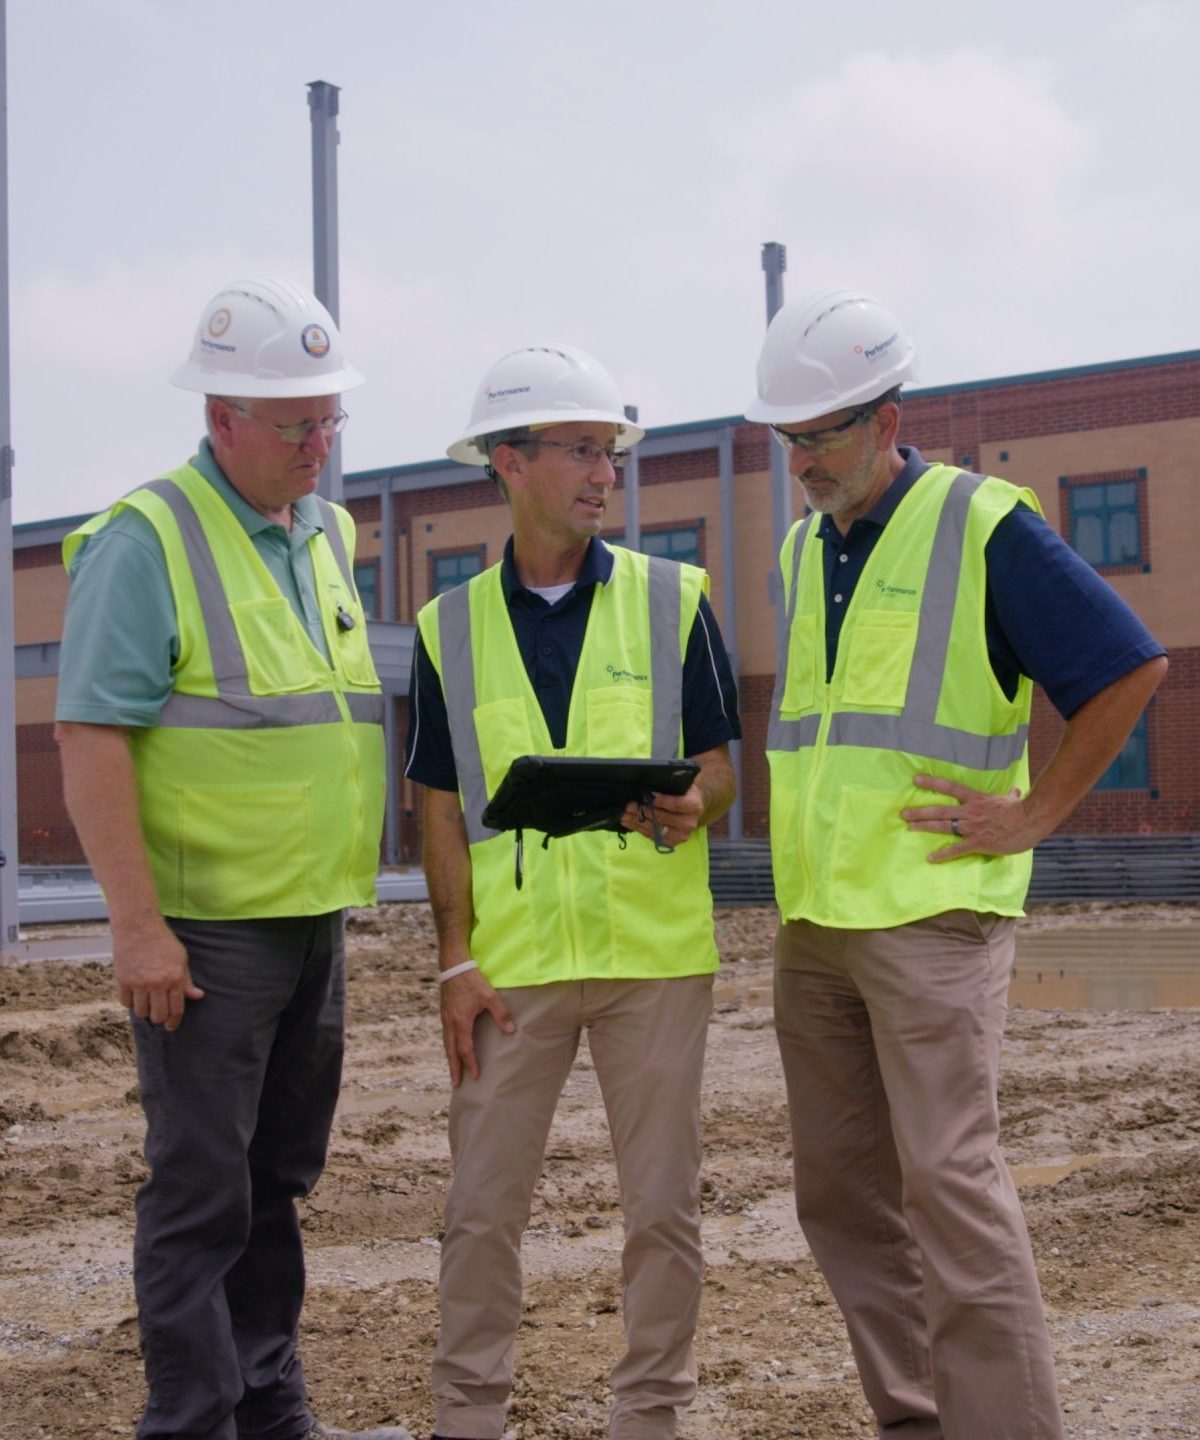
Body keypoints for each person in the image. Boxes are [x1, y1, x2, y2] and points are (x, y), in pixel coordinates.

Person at [745, 288, 1167, 1440]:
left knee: (951, 1189)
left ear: (888, 421)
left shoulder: (985, 525)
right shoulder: (801, 546)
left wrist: (1036, 812)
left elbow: (1127, 668)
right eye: (789, 441)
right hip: (816, 925)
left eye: (821, 436)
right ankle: (918, 1418)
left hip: (934, 921)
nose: (803, 464)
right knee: (839, 1196)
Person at [54, 278, 410, 1440]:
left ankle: (273, 1415)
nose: (322, 444)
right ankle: (193, 1423)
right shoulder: (145, 539)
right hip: (206, 937)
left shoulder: (324, 531)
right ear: (222, 419)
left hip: (312, 920)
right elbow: (91, 734)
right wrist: (136, 926)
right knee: (203, 1194)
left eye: (329, 420)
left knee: (275, 1186)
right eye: (297, 424)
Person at [404, 343, 741, 1440]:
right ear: (510, 461)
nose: (606, 473)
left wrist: (697, 802)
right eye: (583, 451)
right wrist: (454, 962)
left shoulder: (673, 599)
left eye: (612, 454)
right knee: (481, 1212)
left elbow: (724, 764)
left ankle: (651, 1419)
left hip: (652, 960)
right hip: (509, 971)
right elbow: (439, 809)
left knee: (663, 1214)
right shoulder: (445, 629)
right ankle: (469, 1420)